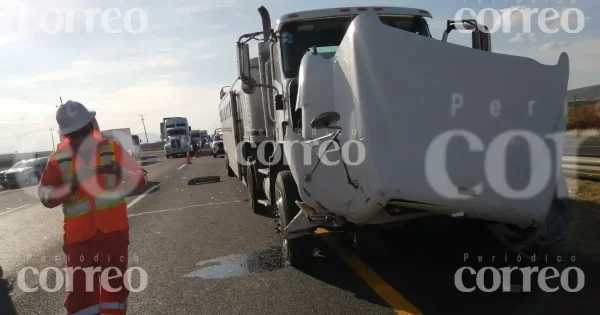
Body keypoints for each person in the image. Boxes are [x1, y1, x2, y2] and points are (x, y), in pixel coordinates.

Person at [38, 101, 148, 315]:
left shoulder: (112, 148)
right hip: (79, 241)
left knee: (115, 295)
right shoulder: (58, 159)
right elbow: (45, 196)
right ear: (67, 136)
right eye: (75, 135)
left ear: (92, 127)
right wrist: (71, 186)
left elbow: (142, 177)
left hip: (113, 236)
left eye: (84, 132)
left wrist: (123, 174)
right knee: (81, 300)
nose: (81, 139)